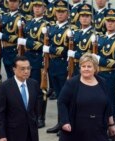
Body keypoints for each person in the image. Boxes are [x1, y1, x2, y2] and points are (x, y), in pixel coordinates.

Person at [58, 53, 115, 141]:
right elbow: (62, 102)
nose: (86, 69)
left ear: (95, 68)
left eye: (89, 66)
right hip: (76, 131)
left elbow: (108, 105)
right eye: (83, 66)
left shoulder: (102, 82)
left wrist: (111, 124)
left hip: (98, 129)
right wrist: (65, 122)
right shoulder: (72, 83)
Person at [93, 8, 115, 141]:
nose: (109, 24)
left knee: (113, 109)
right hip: (98, 76)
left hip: (111, 78)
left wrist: (100, 60)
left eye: (113, 21)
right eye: (108, 21)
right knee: (99, 107)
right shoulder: (100, 38)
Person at [17, 0, 49, 128]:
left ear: (44, 8)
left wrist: (25, 42)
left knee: (39, 90)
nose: (36, 8)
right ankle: (30, 114)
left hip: (37, 59)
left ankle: (40, 117)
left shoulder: (46, 25)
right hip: (27, 59)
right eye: (35, 6)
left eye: (39, 6)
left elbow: (41, 45)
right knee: (27, 88)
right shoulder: (29, 22)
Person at [0, 56, 39, 141]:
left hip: (31, 133)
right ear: (14, 69)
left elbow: (35, 108)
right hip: (13, 133)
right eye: (22, 69)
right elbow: (0, 113)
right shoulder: (5, 87)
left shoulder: (34, 84)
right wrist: (2, 135)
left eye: (28, 68)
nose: (26, 71)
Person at [44, 0, 71, 134]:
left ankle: (65, 123)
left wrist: (50, 49)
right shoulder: (52, 27)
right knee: (58, 97)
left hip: (62, 64)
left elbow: (66, 50)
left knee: (63, 97)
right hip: (53, 64)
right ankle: (60, 122)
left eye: (63, 12)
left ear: (68, 13)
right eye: (58, 12)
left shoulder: (69, 30)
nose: (60, 14)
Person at [0, 0, 23, 78]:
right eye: (10, 1)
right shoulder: (4, 16)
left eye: (14, 2)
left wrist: (2, 36)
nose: (12, 3)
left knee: (15, 76)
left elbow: (19, 38)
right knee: (9, 76)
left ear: (19, 3)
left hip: (14, 50)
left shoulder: (21, 18)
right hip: (5, 49)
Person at [67, 3, 95, 76]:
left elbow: (91, 55)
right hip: (74, 67)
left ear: (91, 18)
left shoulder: (94, 35)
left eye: (87, 16)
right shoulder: (75, 33)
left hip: (86, 68)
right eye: (82, 16)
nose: (84, 18)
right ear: (79, 18)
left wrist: (74, 54)